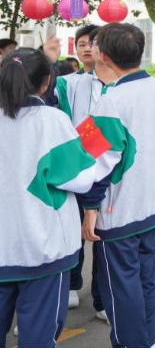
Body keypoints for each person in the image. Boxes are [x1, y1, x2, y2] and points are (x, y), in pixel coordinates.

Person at [78, 23, 155, 348]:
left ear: (103, 55)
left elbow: (94, 160)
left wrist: (90, 207)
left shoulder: (111, 99)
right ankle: (147, 341)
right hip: (153, 204)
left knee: (121, 288)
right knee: (146, 280)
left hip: (119, 209)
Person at [0, 49, 97, 348]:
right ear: (46, 82)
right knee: (38, 339)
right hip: (42, 247)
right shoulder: (52, 120)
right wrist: (89, 146)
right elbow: (81, 179)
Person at [52, 24, 112, 317]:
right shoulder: (69, 83)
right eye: (82, 44)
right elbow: (49, 100)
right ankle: (73, 284)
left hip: (108, 169)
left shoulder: (117, 83)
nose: (88, 48)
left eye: (94, 43)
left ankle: (103, 296)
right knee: (74, 231)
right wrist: (50, 60)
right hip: (77, 171)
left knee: (102, 235)